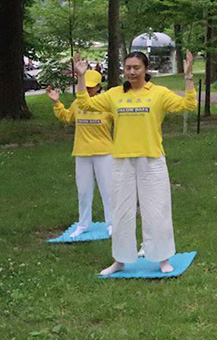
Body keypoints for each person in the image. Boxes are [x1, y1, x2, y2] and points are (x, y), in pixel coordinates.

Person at [73, 50, 197, 275]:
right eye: (128, 68)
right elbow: (86, 103)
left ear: (145, 69)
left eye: (136, 68)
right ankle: (120, 260)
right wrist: (81, 77)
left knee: (157, 210)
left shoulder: (158, 93)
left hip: (152, 159)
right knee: (121, 212)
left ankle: (162, 258)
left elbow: (188, 104)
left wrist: (188, 77)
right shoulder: (114, 94)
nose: (131, 72)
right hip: (121, 161)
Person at [48, 70, 115, 238]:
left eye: (90, 87)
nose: (86, 89)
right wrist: (57, 103)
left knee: (108, 190)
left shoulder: (107, 104)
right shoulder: (78, 103)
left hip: (104, 152)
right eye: (84, 86)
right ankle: (83, 224)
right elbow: (67, 116)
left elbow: (122, 122)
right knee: (84, 191)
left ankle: (112, 223)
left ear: (98, 87)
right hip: (82, 152)